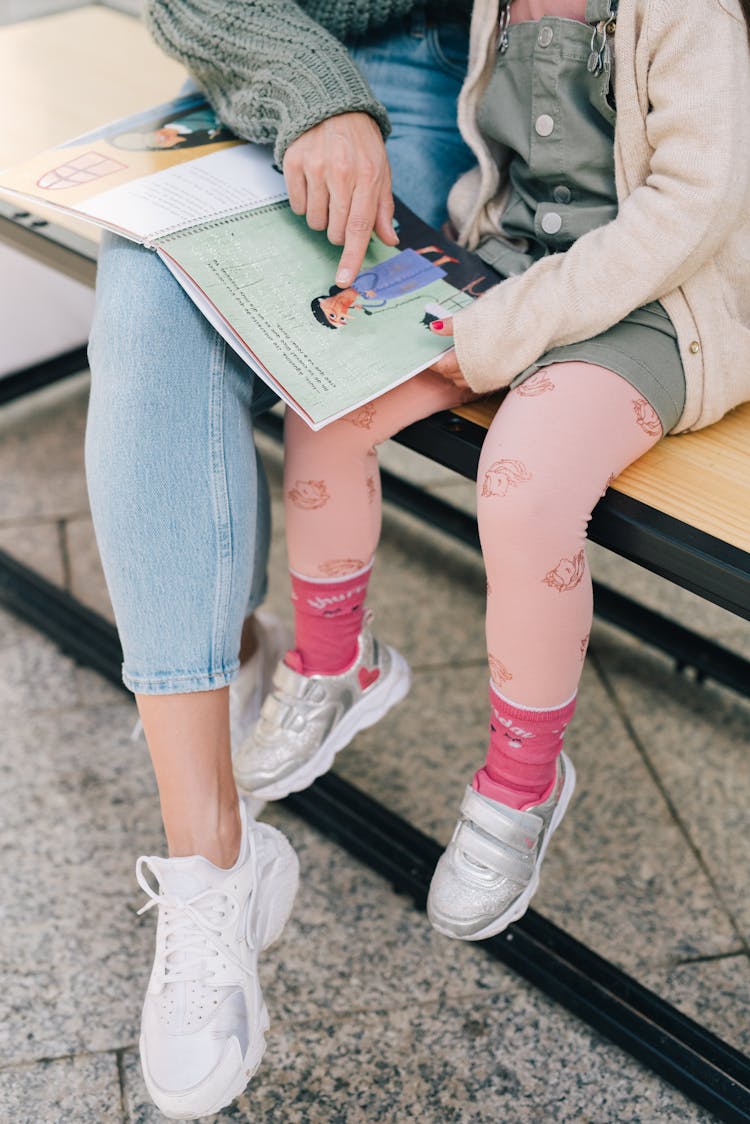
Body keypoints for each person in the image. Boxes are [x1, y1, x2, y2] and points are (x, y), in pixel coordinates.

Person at [234, 0, 750, 952]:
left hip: (657, 308)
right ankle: (335, 659)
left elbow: (692, 206)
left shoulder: (688, 14)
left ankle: (522, 784)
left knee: (522, 487)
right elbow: (503, 168)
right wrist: (447, 273)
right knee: (328, 394)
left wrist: (502, 331)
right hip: (511, 270)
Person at [85, 2, 475, 1118]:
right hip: (259, 51)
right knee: (149, 293)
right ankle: (213, 861)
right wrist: (310, 93)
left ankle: (241, 643)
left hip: (462, 81)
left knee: (302, 296)